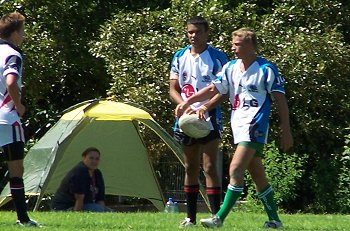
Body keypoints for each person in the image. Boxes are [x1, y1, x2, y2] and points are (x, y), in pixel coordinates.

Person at [176, 28, 293, 229]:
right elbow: (214, 89)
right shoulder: (230, 67)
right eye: (233, 44)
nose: (233, 47)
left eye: (237, 44)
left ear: (250, 45)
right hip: (238, 126)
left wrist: (286, 131)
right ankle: (274, 220)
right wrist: (190, 102)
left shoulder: (266, 69)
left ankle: (218, 218)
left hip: (255, 125)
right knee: (257, 174)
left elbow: (281, 101)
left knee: (235, 169)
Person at [169, 16, 228, 228]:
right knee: (190, 166)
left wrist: (205, 107)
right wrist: (183, 105)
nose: (193, 36)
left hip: (209, 118)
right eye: (189, 32)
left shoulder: (218, 57)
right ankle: (190, 217)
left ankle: (215, 217)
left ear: (206, 33)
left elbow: (223, 90)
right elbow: (173, 88)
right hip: (185, 120)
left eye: (197, 32)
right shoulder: (179, 56)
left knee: (210, 166)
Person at [0, 12, 42, 227]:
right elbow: (10, 81)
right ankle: (23, 219)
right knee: (16, 169)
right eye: (23, 31)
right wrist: (18, 105)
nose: (24, 36)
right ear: (15, 33)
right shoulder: (12, 54)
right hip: (7, 118)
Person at [52, 147, 112, 212]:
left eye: (97, 159)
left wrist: (103, 213)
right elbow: (79, 198)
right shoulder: (80, 172)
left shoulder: (97, 173)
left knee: (110, 212)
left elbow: (100, 199)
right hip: (66, 207)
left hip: (87, 205)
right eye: (91, 158)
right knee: (97, 209)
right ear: (83, 158)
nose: (94, 161)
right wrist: (77, 216)